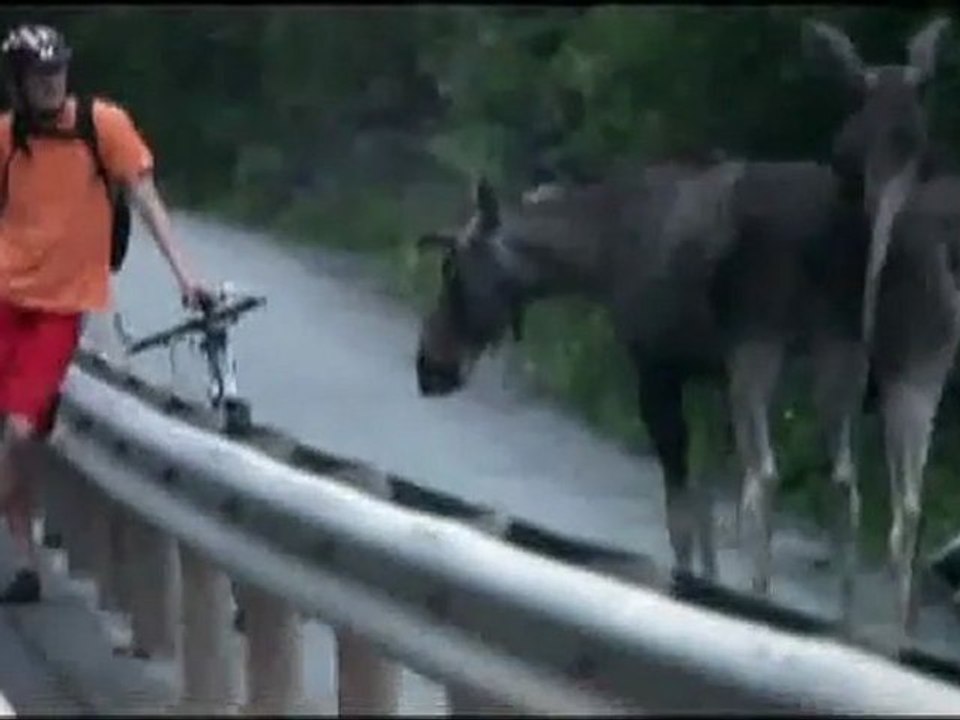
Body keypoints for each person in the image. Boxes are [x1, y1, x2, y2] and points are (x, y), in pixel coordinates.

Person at [0, 23, 212, 603]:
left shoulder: (102, 126)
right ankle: (25, 565)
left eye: (56, 71)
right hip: (6, 297)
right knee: (13, 434)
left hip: (60, 305)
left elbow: (146, 200)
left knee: (18, 431)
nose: (50, 84)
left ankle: (24, 548)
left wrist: (186, 275)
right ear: (18, 83)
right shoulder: (8, 137)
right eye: (38, 76)